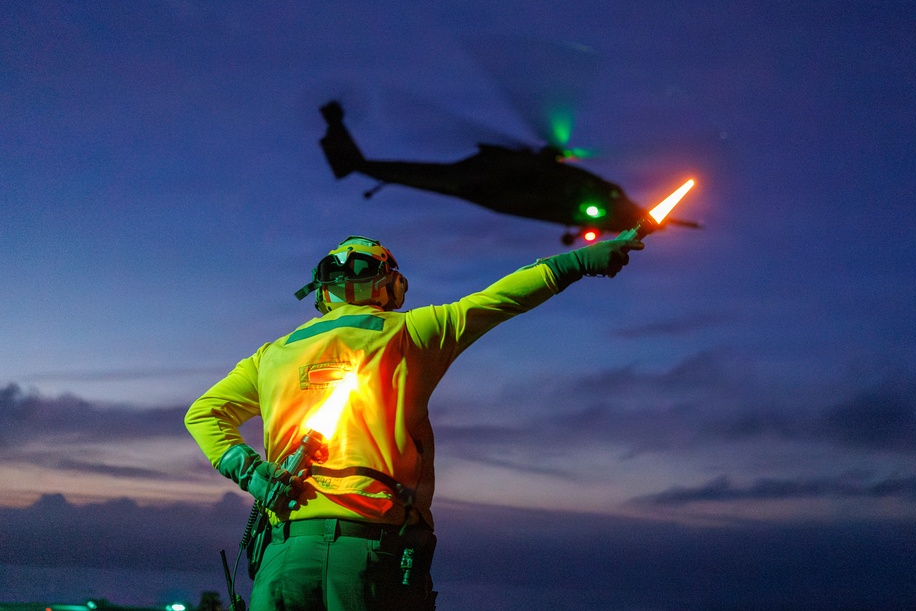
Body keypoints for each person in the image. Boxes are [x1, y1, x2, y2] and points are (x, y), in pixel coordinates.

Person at [185, 234, 643, 611]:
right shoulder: (411, 333)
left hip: (282, 560)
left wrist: (252, 472)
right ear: (387, 284)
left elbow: (204, 413)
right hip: (373, 558)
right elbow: (500, 299)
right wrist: (582, 259)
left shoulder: (271, 356)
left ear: (322, 292)